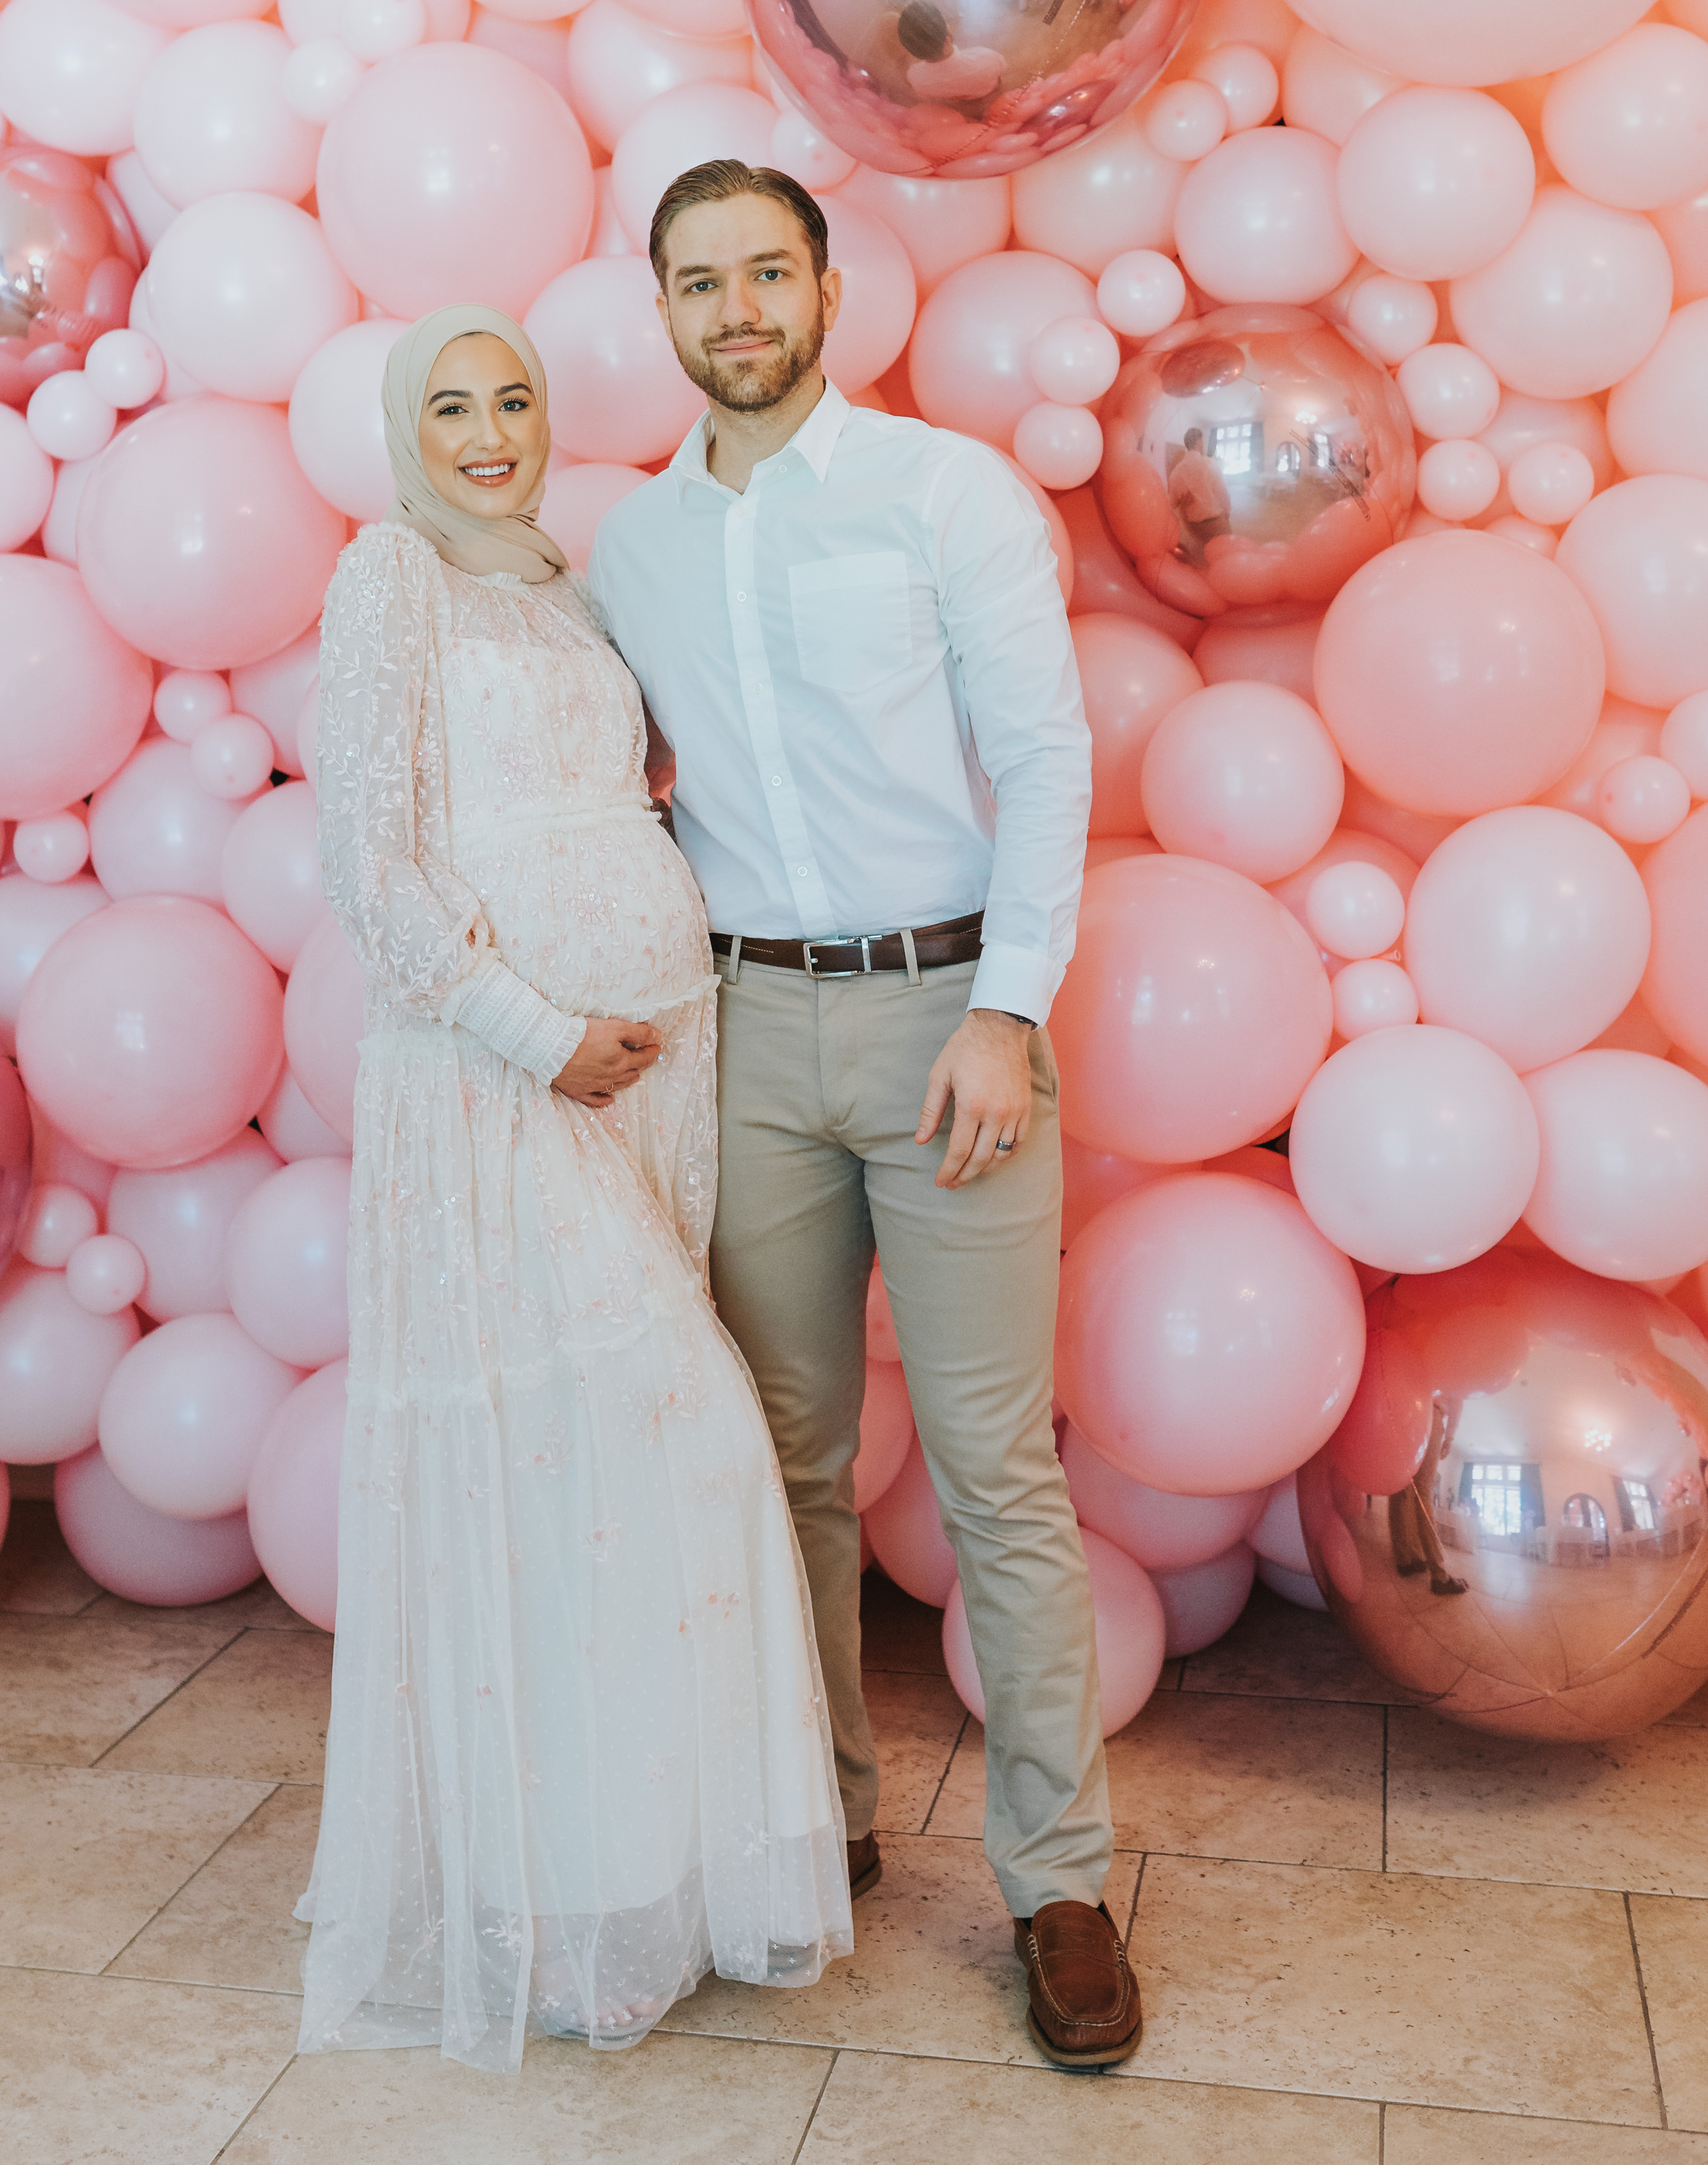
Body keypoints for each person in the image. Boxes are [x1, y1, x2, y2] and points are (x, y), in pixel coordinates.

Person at [587, 160, 1141, 2072]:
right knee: (787, 1456)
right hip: (747, 1031)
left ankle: (1059, 1879)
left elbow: (1049, 756)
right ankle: (812, 1818)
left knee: (996, 1471)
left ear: (828, 286)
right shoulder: (631, 551)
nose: (735, 308)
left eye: (764, 271)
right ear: (659, 310)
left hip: (947, 1021)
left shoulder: (941, 492)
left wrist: (1006, 1012)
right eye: (696, 282)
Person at [296, 302, 849, 2076]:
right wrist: (538, 1026)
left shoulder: (563, 580)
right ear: (407, 429)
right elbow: (370, 869)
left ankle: (652, 1884)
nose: (486, 430)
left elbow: (626, 801)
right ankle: (550, 1900)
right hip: (499, 1080)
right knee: (635, 1434)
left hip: (658, 1067)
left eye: (512, 398)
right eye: (449, 404)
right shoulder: (393, 578)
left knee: (605, 1472)